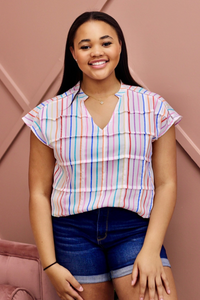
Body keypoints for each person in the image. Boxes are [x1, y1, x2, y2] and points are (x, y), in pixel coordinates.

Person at [23, 11, 182, 300]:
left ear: (120, 45)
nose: (96, 52)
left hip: (134, 229)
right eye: (85, 46)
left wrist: (150, 249)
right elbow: (38, 193)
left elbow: (167, 184)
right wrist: (50, 264)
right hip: (72, 233)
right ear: (73, 53)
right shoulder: (48, 115)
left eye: (105, 43)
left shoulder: (153, 107)